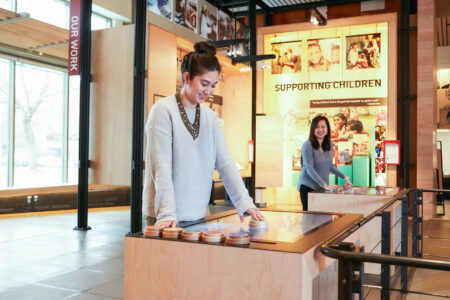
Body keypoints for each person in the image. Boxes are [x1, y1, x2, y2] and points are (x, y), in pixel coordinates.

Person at [143, 42, 264, 228]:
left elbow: (225, 162)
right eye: (204, 84)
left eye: (213, 85)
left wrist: (244, 202)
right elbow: (161, 167)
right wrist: (167, 213)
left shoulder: (210, 117)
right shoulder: (163, 110)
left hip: (198, 214)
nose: (208, 91)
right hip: (164, 217)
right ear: (187, 77)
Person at [297, 115, 352, 211]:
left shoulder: (329, 144)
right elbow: (309, 168)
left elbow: (330, 166)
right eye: (317, 127)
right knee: (310, 219)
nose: (320, 130)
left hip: (322, 187)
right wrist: (325, 185)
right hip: (308, 187)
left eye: (323, 127)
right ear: (312, 129)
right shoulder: (307, 145)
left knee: (323, 217)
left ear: (327, 129)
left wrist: (344, 176)